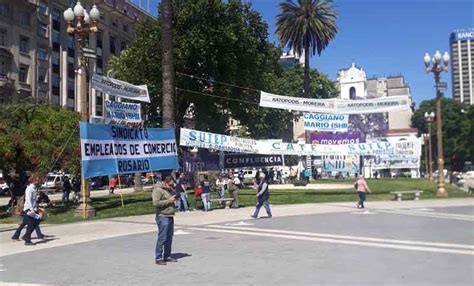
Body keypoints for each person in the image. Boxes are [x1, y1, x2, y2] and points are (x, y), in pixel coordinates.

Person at [152, 177, 177, 265]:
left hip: (170, 215)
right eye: (171, 183)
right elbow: (155, 203)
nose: (172, 185)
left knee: (169, 237)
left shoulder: (167, 190)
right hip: (162, 216)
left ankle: (167, 256)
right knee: (162, 237)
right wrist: (169, 201)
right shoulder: (158, 190)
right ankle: (158, 257)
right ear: (166, 182)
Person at [19, 175, 43, 245]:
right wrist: (32, 209)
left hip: (34, 209)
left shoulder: (35, 188)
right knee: (31, 224)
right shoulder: (29, 189)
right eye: (37, 180)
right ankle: (27, 240)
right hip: (29, 210)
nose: (38, 181)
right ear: (34, 180)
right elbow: (28, 200)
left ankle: (26, 236)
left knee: (37, 220)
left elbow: (34, 200)